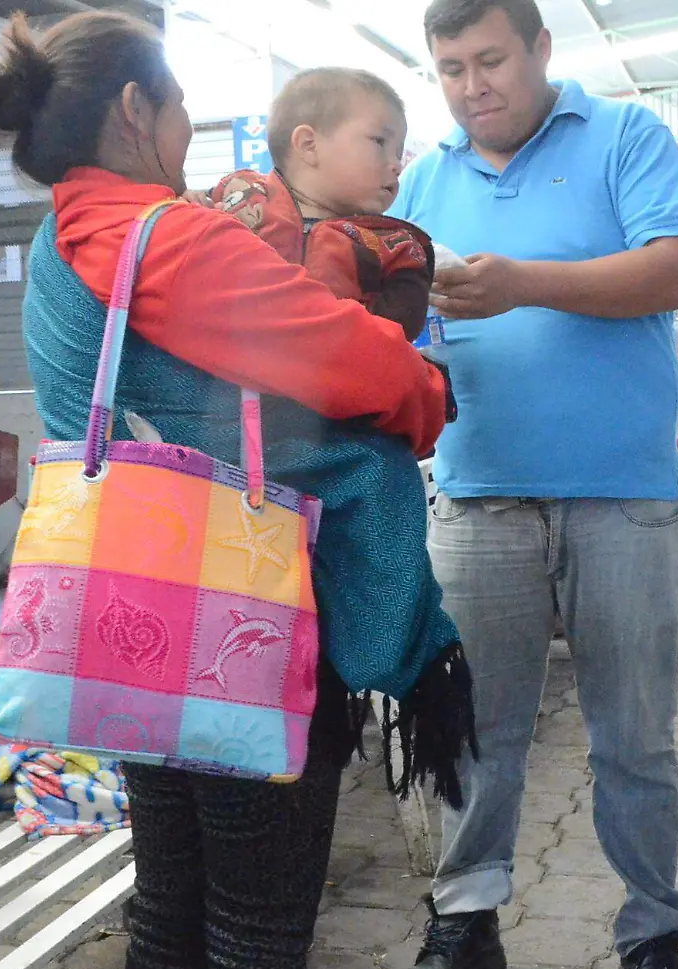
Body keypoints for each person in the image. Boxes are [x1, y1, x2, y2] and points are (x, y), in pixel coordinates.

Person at [0, 14, 468, 969]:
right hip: (243, 625)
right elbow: (357, 368)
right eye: (180, 104)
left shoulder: (61, 239)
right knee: (254, 944)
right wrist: (426, 387)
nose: (191, 128)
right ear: (135, 109)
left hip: (131, 630)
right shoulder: (165, 237)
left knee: (171, 916)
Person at [382, 0, 678, 969]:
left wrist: (519, 285)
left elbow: (675, 270)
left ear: (540, 52)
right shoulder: (423, 181)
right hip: (478, 491)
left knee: (633, 734)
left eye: (490, 60)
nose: (473, 84)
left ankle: (652, 941)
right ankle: (467, 923)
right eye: (449, 68)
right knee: (476, 733)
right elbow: (402, 322)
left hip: (619, 491)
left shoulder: (624, 137)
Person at [201, 67, 476, 762]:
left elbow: (385, 336)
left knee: (384, 497)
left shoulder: (395, 244)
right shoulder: (227, 209)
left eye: (401, 145)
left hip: (344, 441)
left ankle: (392, 652)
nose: (395, 162)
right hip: (234, 457)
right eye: (379, 140)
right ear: (307, 142)